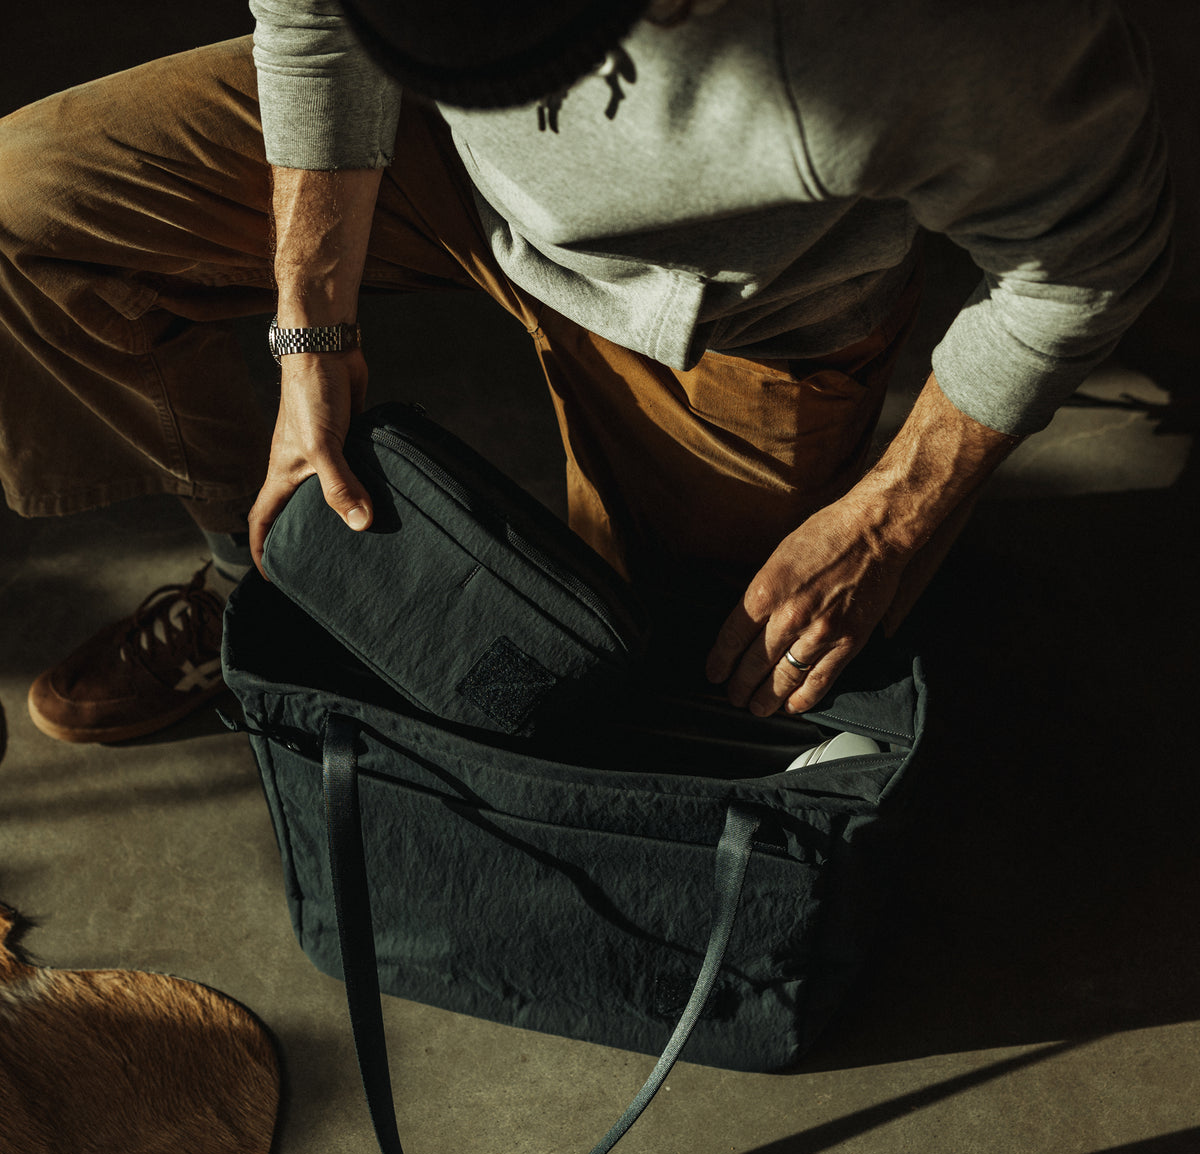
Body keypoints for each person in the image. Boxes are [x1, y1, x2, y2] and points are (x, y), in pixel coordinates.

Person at [1, 0, 1171, 744]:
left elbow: (1091, 251)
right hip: (433, 143)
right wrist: (311, 329)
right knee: (27, 208)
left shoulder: (921, 34)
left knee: (645, 686)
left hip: (749, 316)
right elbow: (314, 14)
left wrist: (897, 516)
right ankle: (264, 576)